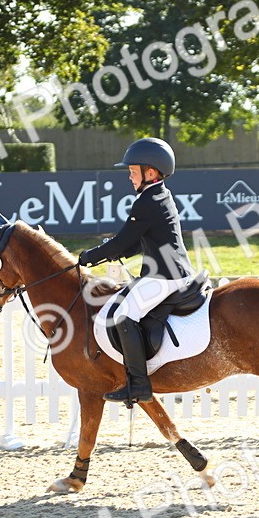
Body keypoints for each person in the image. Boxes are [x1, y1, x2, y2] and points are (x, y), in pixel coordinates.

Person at [78, 137, 194, 405]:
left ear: (149, 172)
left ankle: (139, 384)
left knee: (123, 315)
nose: (129, 177)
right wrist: (113, 252)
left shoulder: (147, 202)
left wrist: (88, 257)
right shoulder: (158, 195)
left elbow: (122, 241)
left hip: (166, 275)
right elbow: (138, 242)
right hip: (168, 270)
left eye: (133, 171)